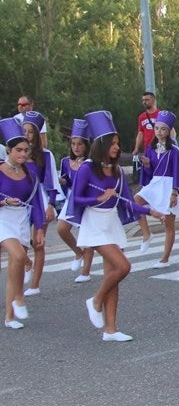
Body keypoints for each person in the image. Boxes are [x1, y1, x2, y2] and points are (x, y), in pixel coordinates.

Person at [68, 110, 165, 341]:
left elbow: (128, 202)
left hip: (111, 222)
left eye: (118, 143)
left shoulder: (117, 171)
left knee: (113, 274)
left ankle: (110, 330)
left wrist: (150, 211)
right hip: (94, 223)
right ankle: (95, 300)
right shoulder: (87, 168)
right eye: (112, 143)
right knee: (123, 267)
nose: (116, 147)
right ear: (101, 144)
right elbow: (77, 199)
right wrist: (97, 199)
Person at [0, 117, 47, 330]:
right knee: (19, 256)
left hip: (21, 220)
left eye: (26, 150)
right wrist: (3, 201)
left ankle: (9, 317)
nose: (23, 154)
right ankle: (19, 298)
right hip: (3, 217)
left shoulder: (30, 173)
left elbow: (36, 202)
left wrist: (39, 228)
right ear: (9, 150)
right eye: (18, 150)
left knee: (15, 269)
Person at [133, 111, 179, 268]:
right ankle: (146, 234)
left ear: (168, 131)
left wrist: (174, 192)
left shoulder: (174, 150)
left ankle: (165, 258)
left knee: (169, 225)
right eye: (157, 128)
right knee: (135, 201)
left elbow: (177, 171)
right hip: (155, 183)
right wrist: (147, 165)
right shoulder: (150, 148)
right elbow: (150, 172)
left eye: (163, 129)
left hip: (169, 186)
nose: (159, 132)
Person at [17, 112, 56, 295]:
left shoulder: (46, 155)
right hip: (22, 199)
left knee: (38, 243)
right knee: (16, 241)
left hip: (40, 199)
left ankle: (35, 285)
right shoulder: (17, 154)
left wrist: (51, 205)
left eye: (30, 131)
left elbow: (52, 181)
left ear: (36, 134)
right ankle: (27, 263)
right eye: (23, 131)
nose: (26, 134)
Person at [56, 119, 96, 283]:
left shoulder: (91, 163)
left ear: (87, 145)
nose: (76, 147)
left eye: (80, 144)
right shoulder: (66, 162)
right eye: (73, 144)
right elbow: (68, 180)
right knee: (61, 228)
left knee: (86, 235)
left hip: (85, 199)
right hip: (72, 198)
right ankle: (78, 252)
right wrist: (63, 182)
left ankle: (86, 272)